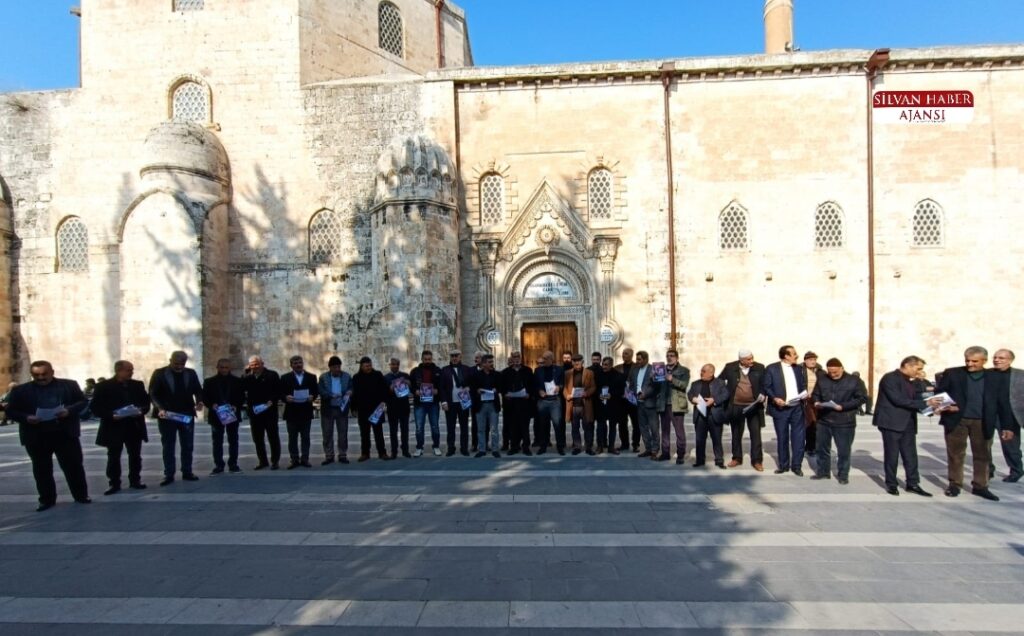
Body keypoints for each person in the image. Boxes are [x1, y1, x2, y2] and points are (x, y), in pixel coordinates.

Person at [7, 361, 90, 510]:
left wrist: (69, 411)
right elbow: (11, 411)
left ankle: (81, 495)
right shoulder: (20, 390)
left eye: (44, 374)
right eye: (36, 375)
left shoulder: (69, 385)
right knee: (41, 469)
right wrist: (27, 417)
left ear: (52, 372)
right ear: (32, 375)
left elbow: (82, 401)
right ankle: (46, 499)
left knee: (73, 466)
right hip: (36, 435)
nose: (41, 378)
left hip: (64, 433)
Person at [936, 346, 998, 500]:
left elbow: (1002, 400)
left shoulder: (993, 377)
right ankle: (955, 484)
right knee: (955, 454)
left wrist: (1008, 426)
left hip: (982, 421)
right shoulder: (953, 373)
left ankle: (980, 486)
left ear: (984, 361)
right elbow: (939, 392)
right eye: (967, 360)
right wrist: (946, 406)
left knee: (982, 455)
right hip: (957, 420)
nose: (970, 364)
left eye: (974, 361)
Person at [873, 355, 935, 496]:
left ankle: (913, 483)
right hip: (891, 423)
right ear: (908, 365)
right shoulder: (890, 378)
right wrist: (926, 404)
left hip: (908, 423)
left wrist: (930, 406)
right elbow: (898, 400)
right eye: (918, 368)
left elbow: (921, 396)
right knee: (892, 455)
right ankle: (891, 484)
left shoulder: (913, 381)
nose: (919, 371)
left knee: (910, 455)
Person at [92, 360, 151, 494]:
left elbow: (145, 402)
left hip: (133, 425)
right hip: (114, 426)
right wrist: (111, 415)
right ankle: (114, 483)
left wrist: (140, 411)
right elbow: (95, 407)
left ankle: (135, 480)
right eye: (129, 370)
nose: (132, 372)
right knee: (113, 456)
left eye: (132, 370)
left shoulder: (137, 385)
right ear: (119, 370)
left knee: (135, 455)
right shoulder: (103, 386)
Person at [148, 350, 204, 486]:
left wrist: (199, 401)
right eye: (176, 363)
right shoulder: (160, 373)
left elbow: (197, 389)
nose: (179, 366)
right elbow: (153, 393)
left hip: (186, 413)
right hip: (168, 414)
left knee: (188, 444)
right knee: (168, 445)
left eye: (182, 364)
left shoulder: (190, 373)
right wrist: (160, 408)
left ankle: (187, 471)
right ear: (170, 360)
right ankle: (169, 474)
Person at [810, 358, 866, 484]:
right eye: (830, 372)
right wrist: (816, 402)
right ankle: (823, 472)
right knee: (822, 448)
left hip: (845, 421)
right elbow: (815, 394)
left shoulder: (854, 380)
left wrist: (843, 406)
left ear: (842, 368)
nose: (833, 374)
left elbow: (862, 398)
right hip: (824, 419)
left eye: (835, 372)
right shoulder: (823, 379)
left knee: (843, 450)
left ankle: (843, 475)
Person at [763, 345, 808, 476]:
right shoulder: (772, 368)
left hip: (797, 407)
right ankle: (783, 465)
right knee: (782, 437)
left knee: (799, 438)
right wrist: (774, 398)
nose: (797, 356)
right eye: (794, 354)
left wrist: (804, 394)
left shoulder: (799, 368)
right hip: (780, 408)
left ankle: (797, 466)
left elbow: (803, 384)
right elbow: (766, 386)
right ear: (786, 356)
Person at [720, 349, 766, 471]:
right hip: (736, 406)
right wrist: (725, 394)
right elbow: (720, 381)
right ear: (741, 360)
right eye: (749, 359)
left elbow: (765, 384)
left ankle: (757, 461)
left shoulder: (760, 367)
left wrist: (763, 394)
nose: (752, 361)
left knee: (755, 434)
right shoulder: (730, 367)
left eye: (752, 358)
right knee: (736, 433)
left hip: (753, 406)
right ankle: (737, 458)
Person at [202, 358, 245, 474]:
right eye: (222, 367)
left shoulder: (237, 381)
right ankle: (219, 465)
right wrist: (211, 405)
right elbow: (204, 397)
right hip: (216, 415)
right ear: (217, 367)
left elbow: (242, 397)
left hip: (231, 414)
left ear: (230, 368)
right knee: (217, 441)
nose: (224, 369)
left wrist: (236, 405)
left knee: (233, 440)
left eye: (226, 367)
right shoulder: (209, 382)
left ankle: (233, 464)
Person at [985, 349, 1022, 483]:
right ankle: (988, 469)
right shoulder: (986, 373)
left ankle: (1016, 471)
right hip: (988, 414)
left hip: (1010, 416)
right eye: (995, 357)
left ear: (1010, 360)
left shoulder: (1020, 375)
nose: (997, 360)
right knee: (984, 444)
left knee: (1011, 447)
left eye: (1001, 358)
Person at [242, 355, 282, 470]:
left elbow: (278, 391)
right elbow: (241, 391)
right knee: (257, 439)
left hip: (269, 412)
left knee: (273, 437)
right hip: (255, 413)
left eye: (257, 364)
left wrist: (272, 400)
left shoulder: (272, 375)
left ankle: (275, 461)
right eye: (252, 364)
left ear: (262, 363)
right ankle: (262, 461)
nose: (255, 366)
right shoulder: (246, 377)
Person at [280, 355, 318, 469]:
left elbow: (315, 391)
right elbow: (280, 393)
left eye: (300, 362)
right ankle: (294, 459)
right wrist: (286, 397)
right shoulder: (285, 378)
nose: (298, 365)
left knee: (305, 437)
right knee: (292, 438)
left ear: (303, 363)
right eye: (295, 363)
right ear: (291, 365)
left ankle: (305, 459)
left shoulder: (311, 377)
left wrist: (313, 396)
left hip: (305, 411)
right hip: (292, 412)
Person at [688, 364, 729, 468]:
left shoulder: (720, 383)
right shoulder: (695, 383)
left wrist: (714, 400)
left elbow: (725, 394)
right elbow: (690, 394)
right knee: (699, 439)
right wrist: (693, 399)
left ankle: (719, 460)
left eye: (703, 371)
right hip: (700, 415)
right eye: (701, 370)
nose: (701, 372)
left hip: (714, 415)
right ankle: (700, 460)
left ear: (711, 373)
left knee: (717, 439)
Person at [352, 356, 390, 461]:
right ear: (361, 366)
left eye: (369, 365)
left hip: (377, 409)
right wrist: (353, 408)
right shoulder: (356, 377)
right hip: (363, 409)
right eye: (366, 366)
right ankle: (365, 453)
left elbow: (384, 389)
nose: (368, 368)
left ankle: (382, 452)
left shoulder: (377, 375)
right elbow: (354, 394)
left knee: (378, 432)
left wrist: (384, 402)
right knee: (364, 433)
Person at [318, 355, 353, 465]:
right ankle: (329, 455)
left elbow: (351, 387)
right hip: (328, 409)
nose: (337, 369)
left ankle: (342, 454)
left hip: (342, 408)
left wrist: (350, 391)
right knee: (327, 433)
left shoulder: (347, 376)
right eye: (334, 367)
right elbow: (321, 391)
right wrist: (331, 395)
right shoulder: (323, 377)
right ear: (330, 368)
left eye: (338, 367)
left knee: (343, 433)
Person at [500, 350, 534, 455]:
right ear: (511, 358)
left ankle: (526, 447)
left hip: (524, 403)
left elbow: (532, 385)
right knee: (513, 427)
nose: (516, 358)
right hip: (511, 404)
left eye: (518, 356)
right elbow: (502, 387)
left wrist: (529, 394)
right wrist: (505, 394)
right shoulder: (505, 372)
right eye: (514, 357)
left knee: (524, 426)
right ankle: (514, 447)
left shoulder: (528, 370)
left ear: (521, 357)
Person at [629, 350, 661, 459]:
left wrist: (645, 394)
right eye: (636, 359)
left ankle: (654, 450)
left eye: (639, 359)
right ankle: (648, 448)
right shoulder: (634, 369)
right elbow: (631, 383)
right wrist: (631, 393)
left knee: (654, 428)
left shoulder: (653, 369)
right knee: (643, 428)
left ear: (646, 359)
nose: (637, 361)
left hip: (650, 403)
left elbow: (656, 386)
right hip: (638, 403)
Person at [441, 350, 474, 456]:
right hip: (450, 403)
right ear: (450, 357)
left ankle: (464, 448)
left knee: (464, 426)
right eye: (452, 356)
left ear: (460, 357)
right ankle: (451, 448)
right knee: (450, 427)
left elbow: (472, 383)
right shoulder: (445, 370)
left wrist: (469, 388)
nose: (454, 358)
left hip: (463, 402)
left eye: (456, 356)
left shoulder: (467, 369)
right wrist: (444, 402)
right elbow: (442, 388)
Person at [410, 350, 443, 457]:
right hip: (420, 403)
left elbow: (442, 386)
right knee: (419, 427)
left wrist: (437, 391)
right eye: (425, 359)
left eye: (429, 359)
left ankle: (436, 446)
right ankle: (419, 447)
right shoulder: (415, 371)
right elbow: (411, 386)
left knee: (435, 426)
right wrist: (415, 391)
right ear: (422, 359)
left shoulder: (438, 370)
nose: (428, 361)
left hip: (433, 403)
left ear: (432, 359)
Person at [661, 349, 691, 463]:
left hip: (677, 404)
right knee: (664, 430)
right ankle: (665, 453)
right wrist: (653, 378)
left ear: (677, 358)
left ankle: (680, 455)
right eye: (667, 356)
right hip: (663, 403)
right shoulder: (661, 370)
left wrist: (672, 379)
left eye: (672, 356)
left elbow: (684, 385)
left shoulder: (684, 370)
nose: (669, 357)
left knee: (679, 431)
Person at [470, 353, 502, 458]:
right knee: (481, 429)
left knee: (494, 429)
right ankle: (482, 449)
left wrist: (496, 389)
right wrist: (477, 390)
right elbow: (472, 389)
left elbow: (501, 387)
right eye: (489, 362)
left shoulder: (497, 375)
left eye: (492, 362)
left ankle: (495, 449)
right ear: (483, 364)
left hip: (493, 405)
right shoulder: (475, 375)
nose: (491, 364)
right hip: (480, 406)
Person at [564, 353, 596, 455]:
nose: (576, 362)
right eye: (574, 361)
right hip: (573, 405)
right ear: (572, 362)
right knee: (575, 428)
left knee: (587, 427)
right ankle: (577, 447)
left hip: (585, 404)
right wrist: (567, 395)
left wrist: (586, 393)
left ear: (582, 361)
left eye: (578, 360)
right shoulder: (567, 373)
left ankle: (588, 447)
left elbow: (593, 387)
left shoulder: (589, 373)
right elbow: (564, 388)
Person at [534, 350, 566, 455]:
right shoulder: (538, 370)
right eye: (543, 358)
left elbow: (562, 383)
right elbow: (535, 385)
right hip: (543, 401)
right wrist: (539, 390)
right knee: (543, 425)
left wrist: (559, 387)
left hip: (555, 401)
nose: (544, 360)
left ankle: (560, 447)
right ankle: (543, 446)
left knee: (558, 425)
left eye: (546, 358)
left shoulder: (559, 370)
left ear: (552, 359)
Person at [594, 356, 624, 455]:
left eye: (606, 365)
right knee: (600, 427)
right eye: (603, 364)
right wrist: (599, 395)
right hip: (600, 405)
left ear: (611, 365)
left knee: (612, 427)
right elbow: (594, 388)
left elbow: (621, 390)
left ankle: (611, 447)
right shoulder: (597, 375)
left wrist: (612, 395)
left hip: (613, 405)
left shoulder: (618, 375)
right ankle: (600, 446)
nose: (604, 367)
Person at [384, 357, 412, 458]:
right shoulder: (386, 378)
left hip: (404, 407)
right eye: (393, 364)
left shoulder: (404, 375)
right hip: (392, 408)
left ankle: (405, 450)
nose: (394, 366)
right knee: (393, 431)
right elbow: (384, 393)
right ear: (390, 365)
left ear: (399, 365)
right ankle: (394, 451)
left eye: (396, 364)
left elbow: (411, 387)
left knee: (405, 430)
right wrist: (390, 388)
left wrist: (407, 383)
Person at [614, 348, 639, 451]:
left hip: (633, 400)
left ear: (631, 355)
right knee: (622, 423)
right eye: (623, 353)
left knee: (636, 424)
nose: (624, 355)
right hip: (621, 400)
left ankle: (635, 444)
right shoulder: (617, 368)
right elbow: (614, 383)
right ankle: (624, 444)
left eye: (626, 354)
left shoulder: (637, 367)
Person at [802, 352, 822, 457]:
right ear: (805, 360)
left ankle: (812, 446)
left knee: (816, 424)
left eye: (814, 359)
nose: (813, 361)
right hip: (806, 400)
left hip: (817, 400)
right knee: (810, 423)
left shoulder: (820, 371)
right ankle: (810, 446)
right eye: (810, 360)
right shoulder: (800, 370)